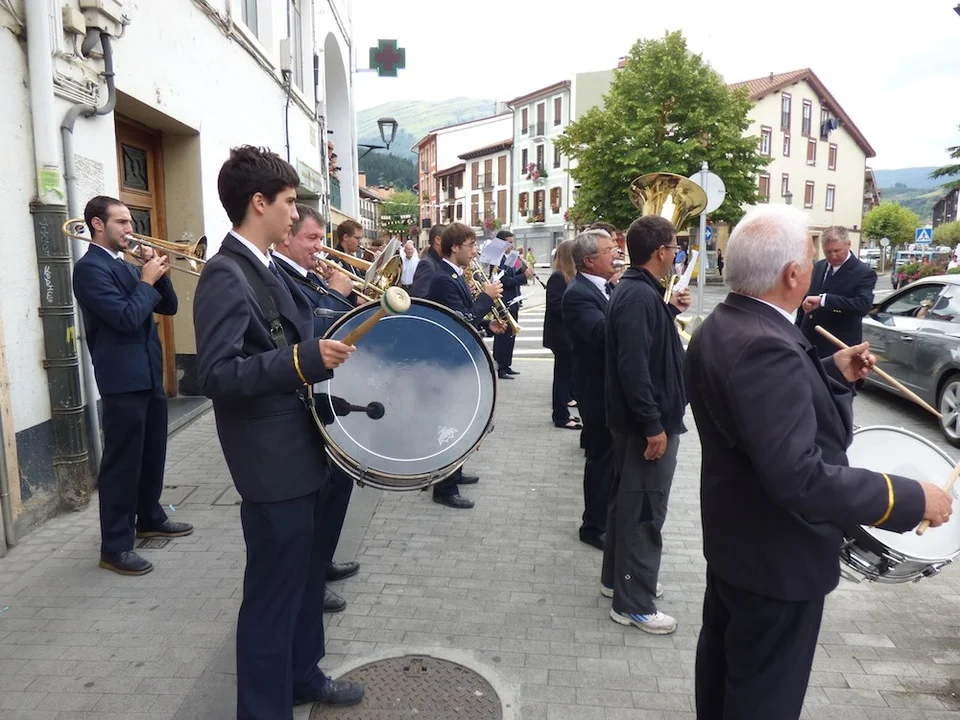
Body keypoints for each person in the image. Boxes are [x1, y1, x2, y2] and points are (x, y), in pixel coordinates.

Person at [684, 204, 952, 720]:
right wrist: (908, 497)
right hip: (777, 558)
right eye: (810, 257)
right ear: (793, 275)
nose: (813, 265)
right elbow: (797, 475)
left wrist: (830, 370)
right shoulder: (766, 345)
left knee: (723, 675)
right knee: (762, 698)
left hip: (737, 543)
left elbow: (752, 410)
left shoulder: (723, 323)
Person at [194, 146, 363, 718]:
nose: (296, 213)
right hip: (271, 466)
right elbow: (216, 374)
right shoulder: (224, 273)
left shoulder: (264, 266)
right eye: (289, 202)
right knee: (272, 598)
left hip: (301, 452)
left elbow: (290, 332)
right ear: (259, 202)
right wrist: (304, 360)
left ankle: (302, 675)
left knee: (306, 580)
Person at [72, 195, 192, 576]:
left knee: (152, 453)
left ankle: (149, 517)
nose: (130, 229)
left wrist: (160, 274)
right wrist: (145, 280)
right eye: (121, 222)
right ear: (97, 224)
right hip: (121, 380)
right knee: (122, 464)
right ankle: (115, 547)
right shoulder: (89, 270)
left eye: (130, 221)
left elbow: (167, 307)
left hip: (149, 373)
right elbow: (125, 319)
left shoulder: (125, 265)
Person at [602, 215, 690, 635]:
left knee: (627, 503)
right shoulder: (638, 295)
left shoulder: (639, 291)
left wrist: (669, 310)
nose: (676, 255)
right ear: (660, 252)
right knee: (643, 511)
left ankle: (617, 580)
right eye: (674, 248)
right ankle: (634, 603)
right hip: (644, 427)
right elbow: (634, 367)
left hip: (637, 422)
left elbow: (645, 346)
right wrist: (653, 425)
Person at [272, 203, 362, 614]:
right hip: (305, 399)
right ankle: (311, 578)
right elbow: (312, 336)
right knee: (322, 493)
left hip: (326, 395)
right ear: (286, 239)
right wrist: (339, 294)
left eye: (321, 240)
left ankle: (322, 561)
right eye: (311, 239)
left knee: (338, 485)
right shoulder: (279, 277)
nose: (319, 248)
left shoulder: (306, 275)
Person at [427, 222, 505, 509]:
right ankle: (443, 488)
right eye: (471, 246)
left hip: (457, 359)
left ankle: (455, 473)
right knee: (448, 422)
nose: (475, 251)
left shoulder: (455, 274)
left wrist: (487, 324)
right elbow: (461, 319)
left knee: (458, 419)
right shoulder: (443, 278)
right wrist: (486, 297)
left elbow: (467, 315)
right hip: (447, 361)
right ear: (455, 247)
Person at [562, 229, 619, 550]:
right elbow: (600, 333)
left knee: (609, 459)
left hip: (609, 386)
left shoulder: (605, 287)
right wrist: (627, 301)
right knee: (600, 459)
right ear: (589, 261)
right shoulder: (578, 293)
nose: (616, 255)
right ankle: (593, 527)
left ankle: (605, 520)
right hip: (596, 390)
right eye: (609, 250)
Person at [798, 226, 878, 358]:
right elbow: (806, 299)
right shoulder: (818, 266)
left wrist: (825, 301)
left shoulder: (863, 272)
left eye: (837, 250)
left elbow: (863, 305)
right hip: (808, 342)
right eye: (828, 252)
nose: (833, 256)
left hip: (837, 347)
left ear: (848, 244)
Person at [543, 241, 579, 430]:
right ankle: (561, 416)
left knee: (566, 375)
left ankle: (564, 410)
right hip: (561, 336)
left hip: (566, 335)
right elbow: (555, 305)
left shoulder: (569, 276)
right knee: (562, 377)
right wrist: (575, 310)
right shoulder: (558, 277)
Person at [491, 229, 532, 380]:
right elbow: (505, 281)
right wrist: (524, 277)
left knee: (511, 335)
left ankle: (507, 365)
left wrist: (523, 270)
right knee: (503, 336)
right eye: (510, 242)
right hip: (504, 301)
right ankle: (500, 367)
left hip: (513, 300)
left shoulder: (509, 258)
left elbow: (513, 275)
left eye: (512, 242)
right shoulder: (497, 259)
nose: (512, 245)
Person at [411, 223, 445, 298]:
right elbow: (420, 298)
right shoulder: (426, 264)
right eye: (448, 240)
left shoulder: (437, 261)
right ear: (438, 240)